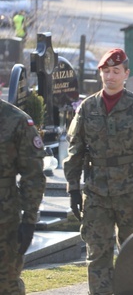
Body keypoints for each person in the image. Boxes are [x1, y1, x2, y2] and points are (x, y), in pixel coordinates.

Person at [64, 49, 133, 295]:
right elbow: (75, 149)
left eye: (115, 71)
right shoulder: (87, 107)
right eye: (105, 71)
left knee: (132, 252)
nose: (110, 76)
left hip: (131, 191)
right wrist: (73, 188)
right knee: (97, 253)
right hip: (96, 192)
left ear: (126, 74)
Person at [0, 99, 45, 294]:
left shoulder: (17, 120)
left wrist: (29, 220)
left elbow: (33, 175)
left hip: (4, 220)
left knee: (6, 283)